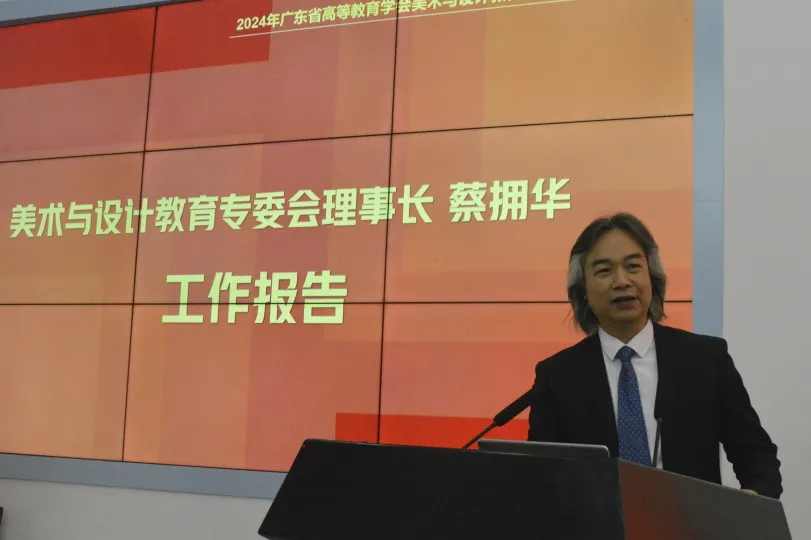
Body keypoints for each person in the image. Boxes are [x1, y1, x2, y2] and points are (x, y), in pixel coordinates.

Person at [527, 212, 782, 499]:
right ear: (583, 290)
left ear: (652, 276)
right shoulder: (558, 375)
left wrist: (752, 499)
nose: (622, 281)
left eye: (633, 266)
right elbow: (540, 477)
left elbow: (756, 455)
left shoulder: (705, 359)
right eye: (604, 270)